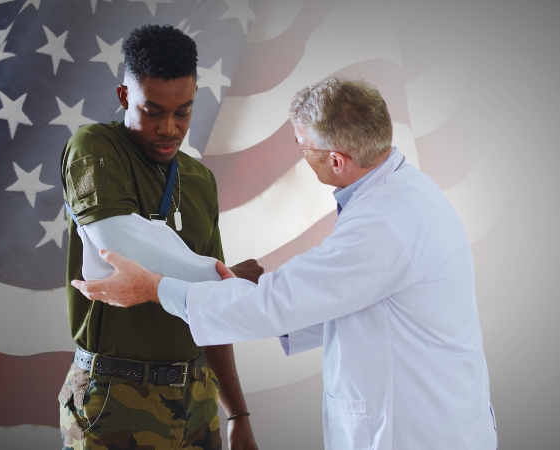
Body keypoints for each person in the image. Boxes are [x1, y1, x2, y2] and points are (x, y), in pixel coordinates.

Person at [72, 78, 498, 449]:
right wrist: (243, 291)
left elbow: (282, 304)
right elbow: (341, 299)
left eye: (303, 145)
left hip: (413, 432)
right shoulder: (402, 193)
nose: (299, 152)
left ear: (336, 160)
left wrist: (156, 287)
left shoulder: (384, 222)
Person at [59, 24, 260, 450]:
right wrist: (226, 277)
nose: (169, 128)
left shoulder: (199, 178)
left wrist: (238, 413)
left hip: (198, 396)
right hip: (116, 396)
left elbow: (211, 312)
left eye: (183, 112)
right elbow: (123, 247)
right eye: (152, 111)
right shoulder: (94, 147)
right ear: (124, 97)